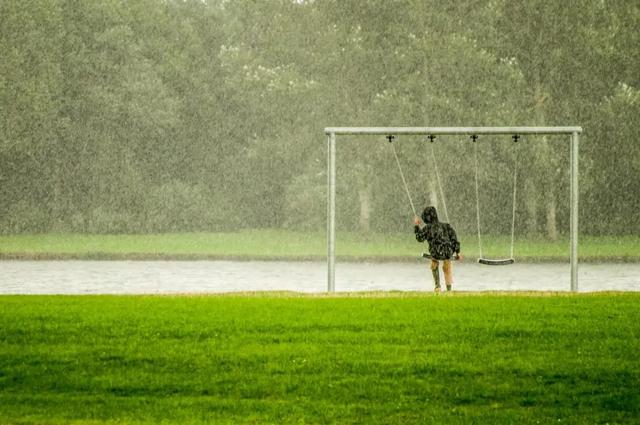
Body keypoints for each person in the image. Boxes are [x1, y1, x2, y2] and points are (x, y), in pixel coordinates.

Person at [414, 206, 461, 292]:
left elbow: (419, 238)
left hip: (435, 252)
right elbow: (454, 238)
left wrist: (417, 226)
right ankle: (449, 289)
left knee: (434, 263)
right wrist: (457, 252)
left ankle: (437, 286)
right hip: (447, 252)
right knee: (447, 266)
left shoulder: (428, 228)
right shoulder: (446, 226)